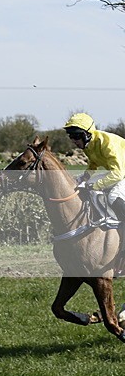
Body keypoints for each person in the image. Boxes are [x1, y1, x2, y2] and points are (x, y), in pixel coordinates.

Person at [65, 113, 125, 269]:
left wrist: (94, 185)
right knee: (87, 187)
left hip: (121, 171)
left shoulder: (107, 143)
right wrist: (84, 178)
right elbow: (93, 165)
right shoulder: (88, 145)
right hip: (119, 171)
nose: (73, 140)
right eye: (70, 136)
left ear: (87, 134)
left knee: (113, 196)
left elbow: (118, 173)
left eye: (76, 136)